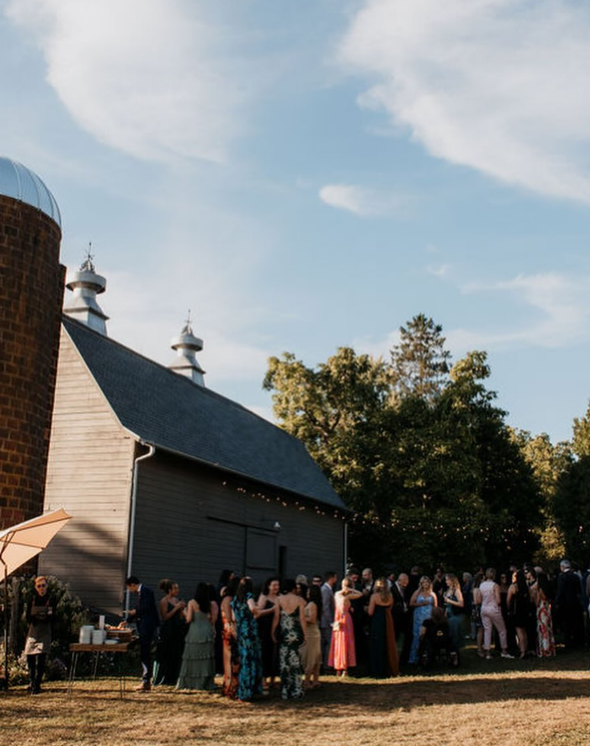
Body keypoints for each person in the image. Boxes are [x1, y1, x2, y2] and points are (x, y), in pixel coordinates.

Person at [177, 583, 216, 690]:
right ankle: (205, 681)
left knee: (191, 656)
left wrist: (184, 612)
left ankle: (190, 681)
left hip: (195, 631)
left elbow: (189, 619)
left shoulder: (192, 603)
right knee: (205, 658)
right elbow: (213, 620)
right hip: (207, 631)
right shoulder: (210, 604)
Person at [272, 578, 306, 700]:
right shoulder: (300, 600)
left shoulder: (279, 600)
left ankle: (285, 690)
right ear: (293, 588)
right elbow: (302, 619)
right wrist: (305, 635)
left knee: (284, 661)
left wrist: (272, 632)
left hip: (284, 633)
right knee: (295, 661)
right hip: (296, 632)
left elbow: (276, 618)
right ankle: (296, 689)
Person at [126, 575, 160, 691]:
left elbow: (144, 608)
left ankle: (146, 681)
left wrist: (134, 612)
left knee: (145, 652)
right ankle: (145, 680)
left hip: (148, 626)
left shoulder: (147, 591)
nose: (130, 591)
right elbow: (138, 608)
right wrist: (127, 620)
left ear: (132, 585)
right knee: (144, 652)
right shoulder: (141, 593)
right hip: (144, 626)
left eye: (129, 588)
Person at [231, 577, 263, 701]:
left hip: (241, 631)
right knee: (252, 659)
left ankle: (243, 690)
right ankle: (250, 690)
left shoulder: (235, 599)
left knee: (244, 659)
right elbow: (253, 608)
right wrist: (257, 613)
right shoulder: (249, 596)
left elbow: (233, 618)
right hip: (250, 630)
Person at [24, 576, 54, 694]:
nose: (41, 588)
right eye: (39, 586)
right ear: (35, 587)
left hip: (45, 630)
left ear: (47, 586)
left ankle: (37, 684)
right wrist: (35, 617)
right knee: (29, 656)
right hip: (34, 630)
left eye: (43, 585)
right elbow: (27, 616)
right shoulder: (32, 599)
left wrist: (45, 616)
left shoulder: (51, 598)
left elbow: (53, 616)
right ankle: (32, 681)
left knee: (41, 658)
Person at [153, 579, 186, 685]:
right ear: (169, 589)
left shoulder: (176, 600)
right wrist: (176, 608)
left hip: (177, 629)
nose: (177, 590)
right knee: (166, 654)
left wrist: (181, 609)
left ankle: (173, 677)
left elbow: (181, 616)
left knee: (176, 654)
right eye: (175, 588)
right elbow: (165, 617)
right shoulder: (164, 601)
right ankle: (162, 677)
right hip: (168, 630)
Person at [328, 577, 363, 676]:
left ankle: (338, 668)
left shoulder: (337, 594)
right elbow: (360, 594)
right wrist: (351, 590)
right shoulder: (347, 596)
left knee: (338, 642)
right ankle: (345, 669)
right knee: (346, 642)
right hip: (345, 620)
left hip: (337, 619)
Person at [368, 578, 398, 678]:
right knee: (387, 643)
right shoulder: (390, 596)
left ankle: (376, 670)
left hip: (377, 621)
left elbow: (370, 612)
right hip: (388, 620)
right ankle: (388, 668)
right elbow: (390, 608)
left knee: (377, 644)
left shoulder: (374, 596)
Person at [480, 568, 513, 660]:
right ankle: (504, 650)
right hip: (493, 608)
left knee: (487, 630)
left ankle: (487, 652)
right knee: (502, 630)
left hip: (484, 608)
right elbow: (498, 600)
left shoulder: (481, 585)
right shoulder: (495, 586)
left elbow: (479, 599)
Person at [257, 576, 280, 691]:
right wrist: (271, 610)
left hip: (276, 628)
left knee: (274, 655)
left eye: (277, 585)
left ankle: (273, 679)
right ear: (268, 586)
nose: (276, 587)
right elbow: (258, 612)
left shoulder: (279, 598)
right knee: (264, 654)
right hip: (264, 628)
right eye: (274, 585)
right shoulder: (264, 597)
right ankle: (263, 680)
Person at [555, 559, 584, 649]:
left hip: (565, 603)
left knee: (567, 623)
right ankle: (577, 640)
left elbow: (560, 590)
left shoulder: (562, 577)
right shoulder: (575, 576)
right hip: (575, 602)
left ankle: (568, 641)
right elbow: (579, 590)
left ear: (562, 567)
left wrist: (557, 601)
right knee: (575, 622)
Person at [408, 576, 437, 664]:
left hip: (428, 617)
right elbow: (411, 603)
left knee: (428, 636)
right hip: (418, 616)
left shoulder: (432, 594)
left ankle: (428, 657)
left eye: (427, 582)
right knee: (417, 636)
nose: (425, 584)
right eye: (424, 582)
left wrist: (434, 616)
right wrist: (421, 604)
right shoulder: (417, 593)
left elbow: (436, 607)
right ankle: (414, 657)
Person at [220, 576, 240, 698]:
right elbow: (229, 617)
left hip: (230, 629)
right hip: (229, 630)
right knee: (231, 660)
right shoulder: (228, 599)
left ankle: (232, 685)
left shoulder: (230, 598)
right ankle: (230, 687)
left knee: (233, 660)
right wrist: (234, 630)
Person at [507, 570, 533, 659]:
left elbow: (508, 600)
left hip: (516, 611)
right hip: (525, 611)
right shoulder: (526, 587)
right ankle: (526, 648)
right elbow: (531, 599)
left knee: (519, 632)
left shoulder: (513, 587)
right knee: (525, 631)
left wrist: (509, 609)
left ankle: (522, 651)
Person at [301, 585, 322, 690]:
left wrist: (301, 617)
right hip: (311, 632)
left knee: (311, 657)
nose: (307, 593)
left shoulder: (312, 604)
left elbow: (312, 619)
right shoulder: (311, 604)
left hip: (312, 633)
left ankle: (307, 681)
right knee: (314, 657)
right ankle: (315, 680)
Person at [534, 572, 556, 657]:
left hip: (541, 609)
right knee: (548, 628)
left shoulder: (540, 590)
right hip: (547, 608)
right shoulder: (548, 588)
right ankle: (550, 648)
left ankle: (544, 649)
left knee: (542, 629)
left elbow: (537, 602)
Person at [320, 571, 337, 670]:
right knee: (328, 644)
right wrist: (331, 621)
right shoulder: (326, 590)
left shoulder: (327, 589)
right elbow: (325, 607)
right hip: (326, 622)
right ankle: (326, 666)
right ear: (332, 578)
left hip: (325, 621)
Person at [443, 574, 464, 655]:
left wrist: (449, 601)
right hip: (448, 615)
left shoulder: (457, 591)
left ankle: (455, 654)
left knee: (454, 635)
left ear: (452, 580)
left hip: (455, 616)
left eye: (447, 580)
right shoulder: (448, 590)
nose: (446, 582)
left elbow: (461, 604)